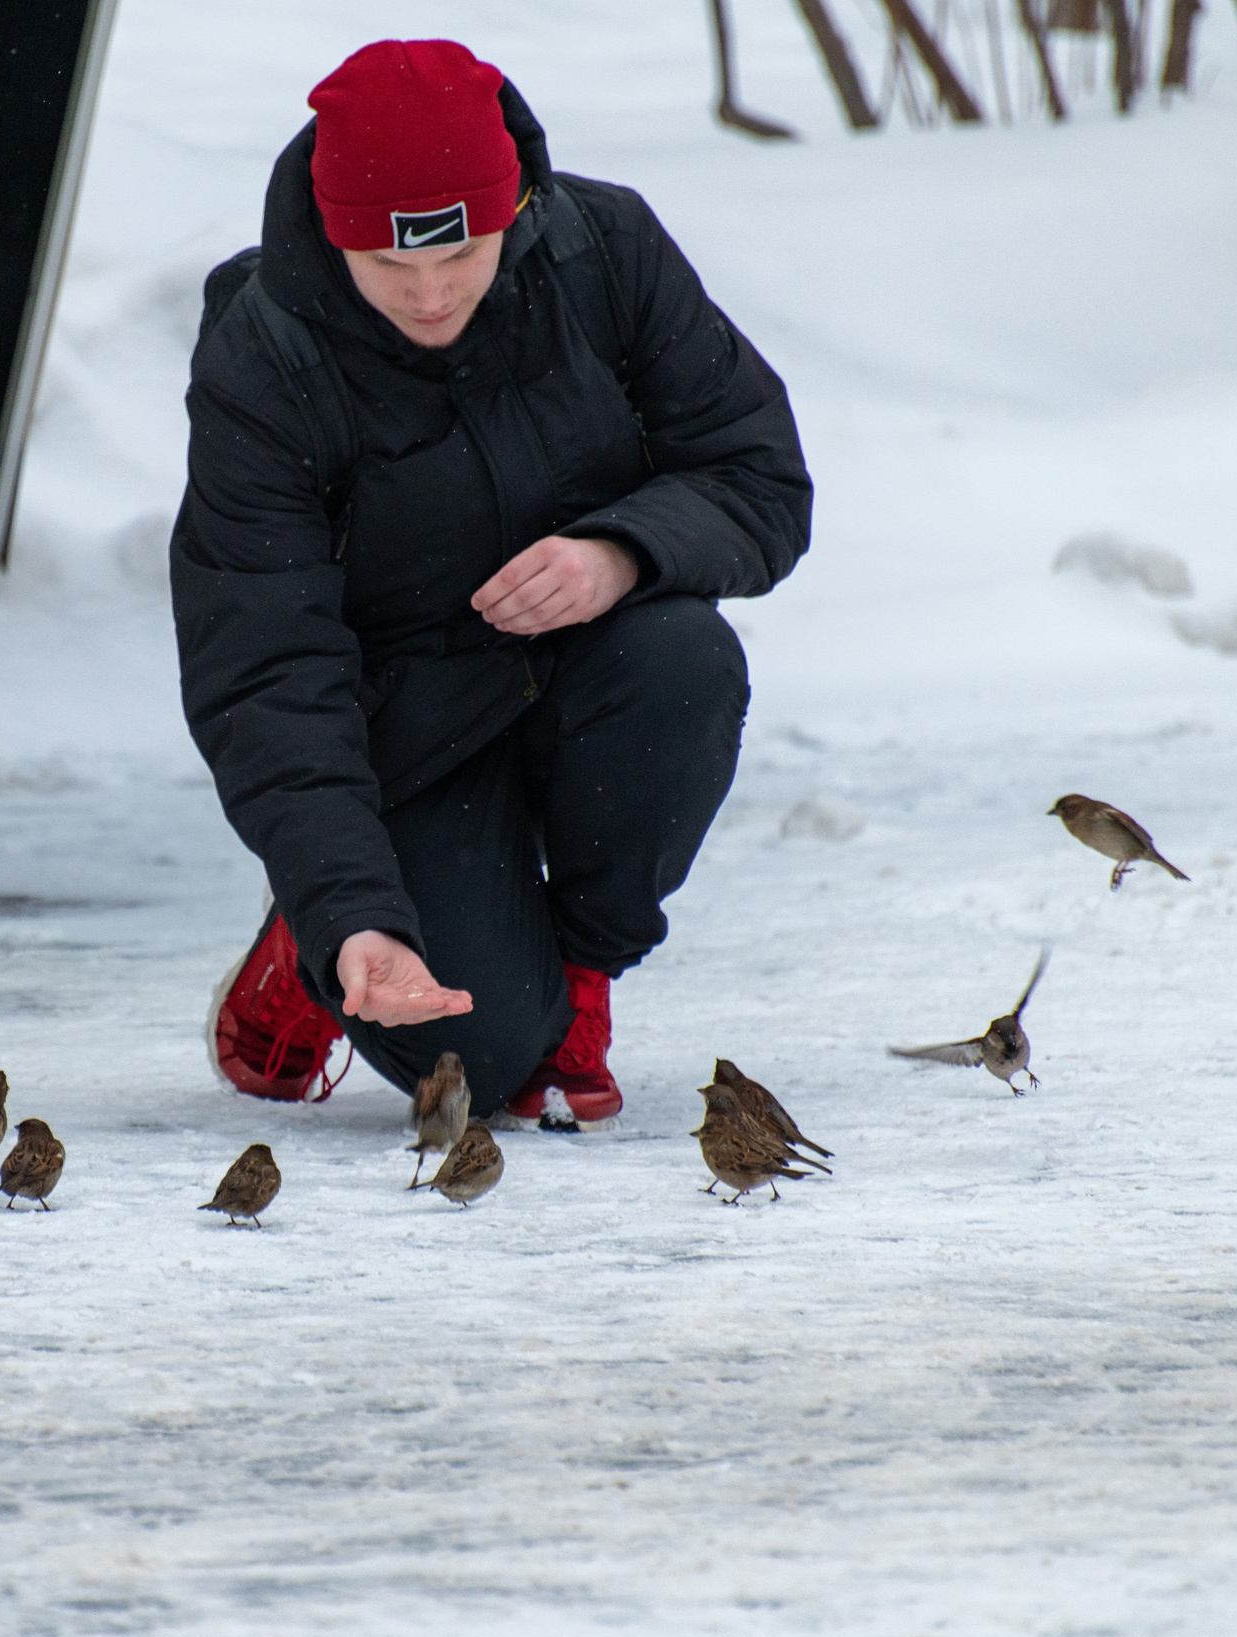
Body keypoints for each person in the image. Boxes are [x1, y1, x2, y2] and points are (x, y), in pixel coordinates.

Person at [176, 40, 810, 1126]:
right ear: (334, 238)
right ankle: (318, 930)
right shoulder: (262, 359)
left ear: (513, 207)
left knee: (682, 659)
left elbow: (758, 477)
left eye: (459, 254)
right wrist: (353, 919)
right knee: (483, 1057)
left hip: (589, 677)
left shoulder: (605, 253)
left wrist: (622, 553)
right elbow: (266, 671)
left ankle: (581, 978)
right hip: (403, 736)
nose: (429, 295)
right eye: (388, 268)